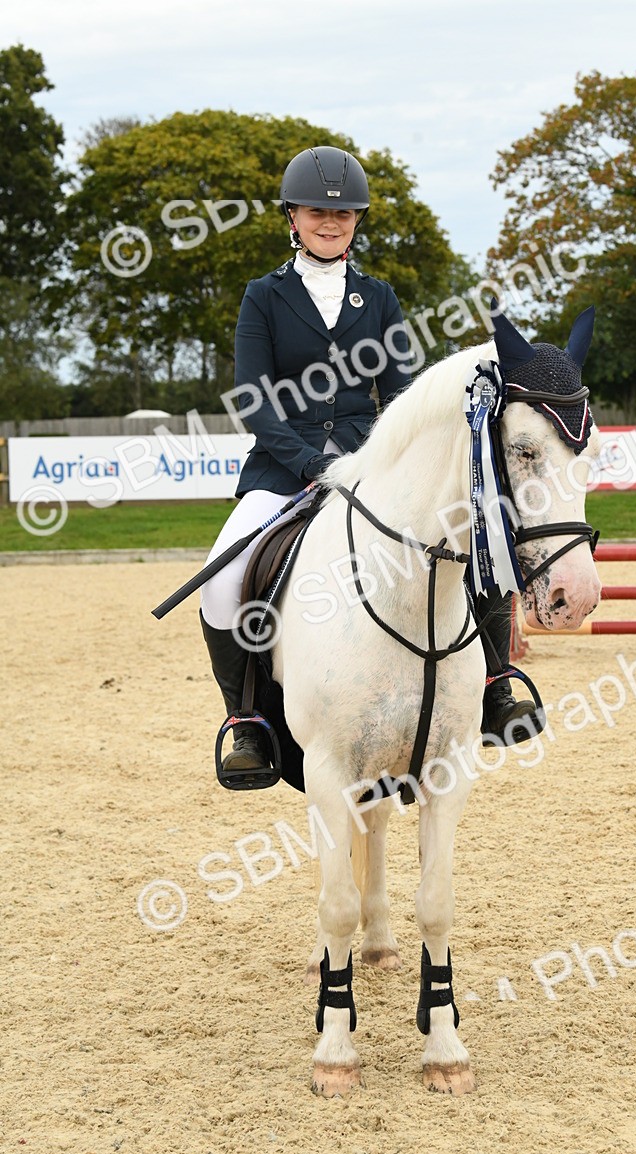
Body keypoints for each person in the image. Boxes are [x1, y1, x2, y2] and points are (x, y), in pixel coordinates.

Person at [200, 145, 540, 781]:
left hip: (372, 458)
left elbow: (402, 395)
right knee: (223, 581)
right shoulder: (263, 297)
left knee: (469, 540)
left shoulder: (379, 298)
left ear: (356, 221)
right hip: (283, 465)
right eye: (315, 212)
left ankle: (496, 686)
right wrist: (307, 462)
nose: (330, 223)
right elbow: (255, 398)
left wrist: (374, 457)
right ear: (292, 218)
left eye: (343, 214)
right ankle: (245, 719)